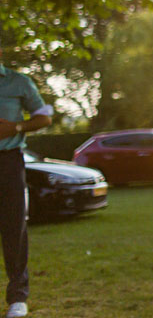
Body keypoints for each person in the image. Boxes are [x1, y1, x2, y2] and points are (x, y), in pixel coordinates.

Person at [0, 46, 53, 318]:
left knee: (13, 226)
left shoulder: (19, 82)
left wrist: (16, 127)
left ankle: (18, 298)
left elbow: (45, 116)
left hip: (8, 162)